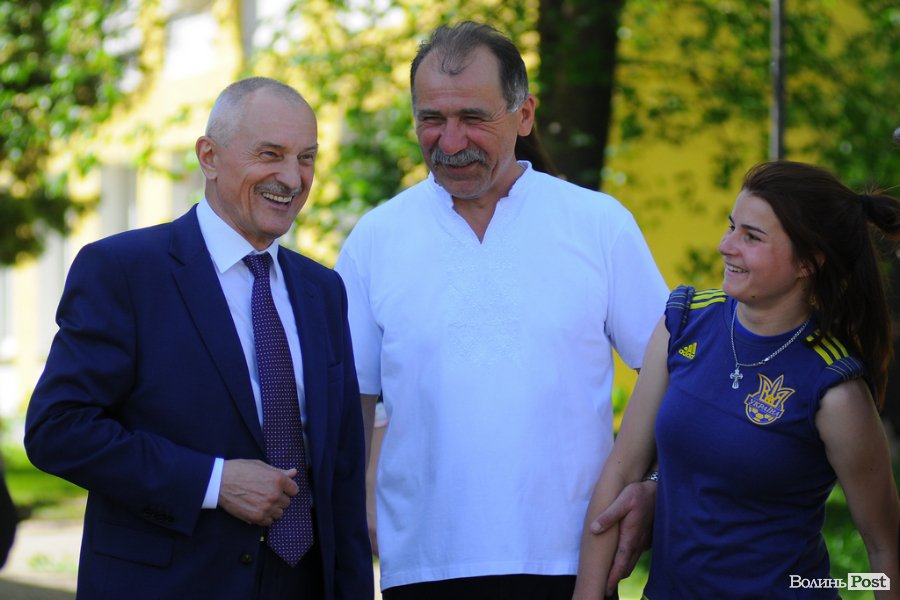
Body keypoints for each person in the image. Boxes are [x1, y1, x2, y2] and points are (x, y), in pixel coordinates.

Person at [335, 21, 669, 599]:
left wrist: (653, 482)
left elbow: (671, 370)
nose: (450, 141)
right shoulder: (375, 239)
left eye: (473, 117)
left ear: (524, 115)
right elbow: (350, 402)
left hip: (574, 563)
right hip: (424, 566)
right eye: (431, 119)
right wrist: (356, 506)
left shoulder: (598, 225)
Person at [24, 77, 373, 599]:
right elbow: (58, 430)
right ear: (209, 156)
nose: (292, 178)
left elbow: (341, 472)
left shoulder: (323, 290)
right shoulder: (124, 271)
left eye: (306, 158)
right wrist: (212, 482)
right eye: (270, 154)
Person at [573, 160, 900, 599]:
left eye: (752, 237)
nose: (725, 246)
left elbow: (884, 549)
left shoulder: (834, 388)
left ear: (808, 262)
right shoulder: (683, 321)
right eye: (732, 227)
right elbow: (621, 471)